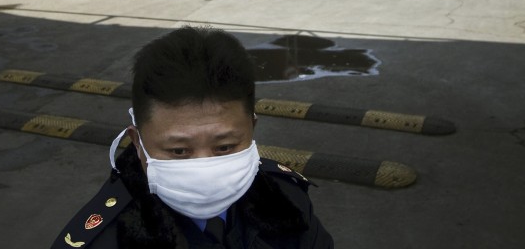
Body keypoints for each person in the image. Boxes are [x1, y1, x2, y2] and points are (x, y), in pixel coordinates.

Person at [51, 26, 334, 248]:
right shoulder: (107, 239)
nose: (204, 171)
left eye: (224, 147)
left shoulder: (288, 202)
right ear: (138, 143)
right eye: (179, 151)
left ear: (252, 129)